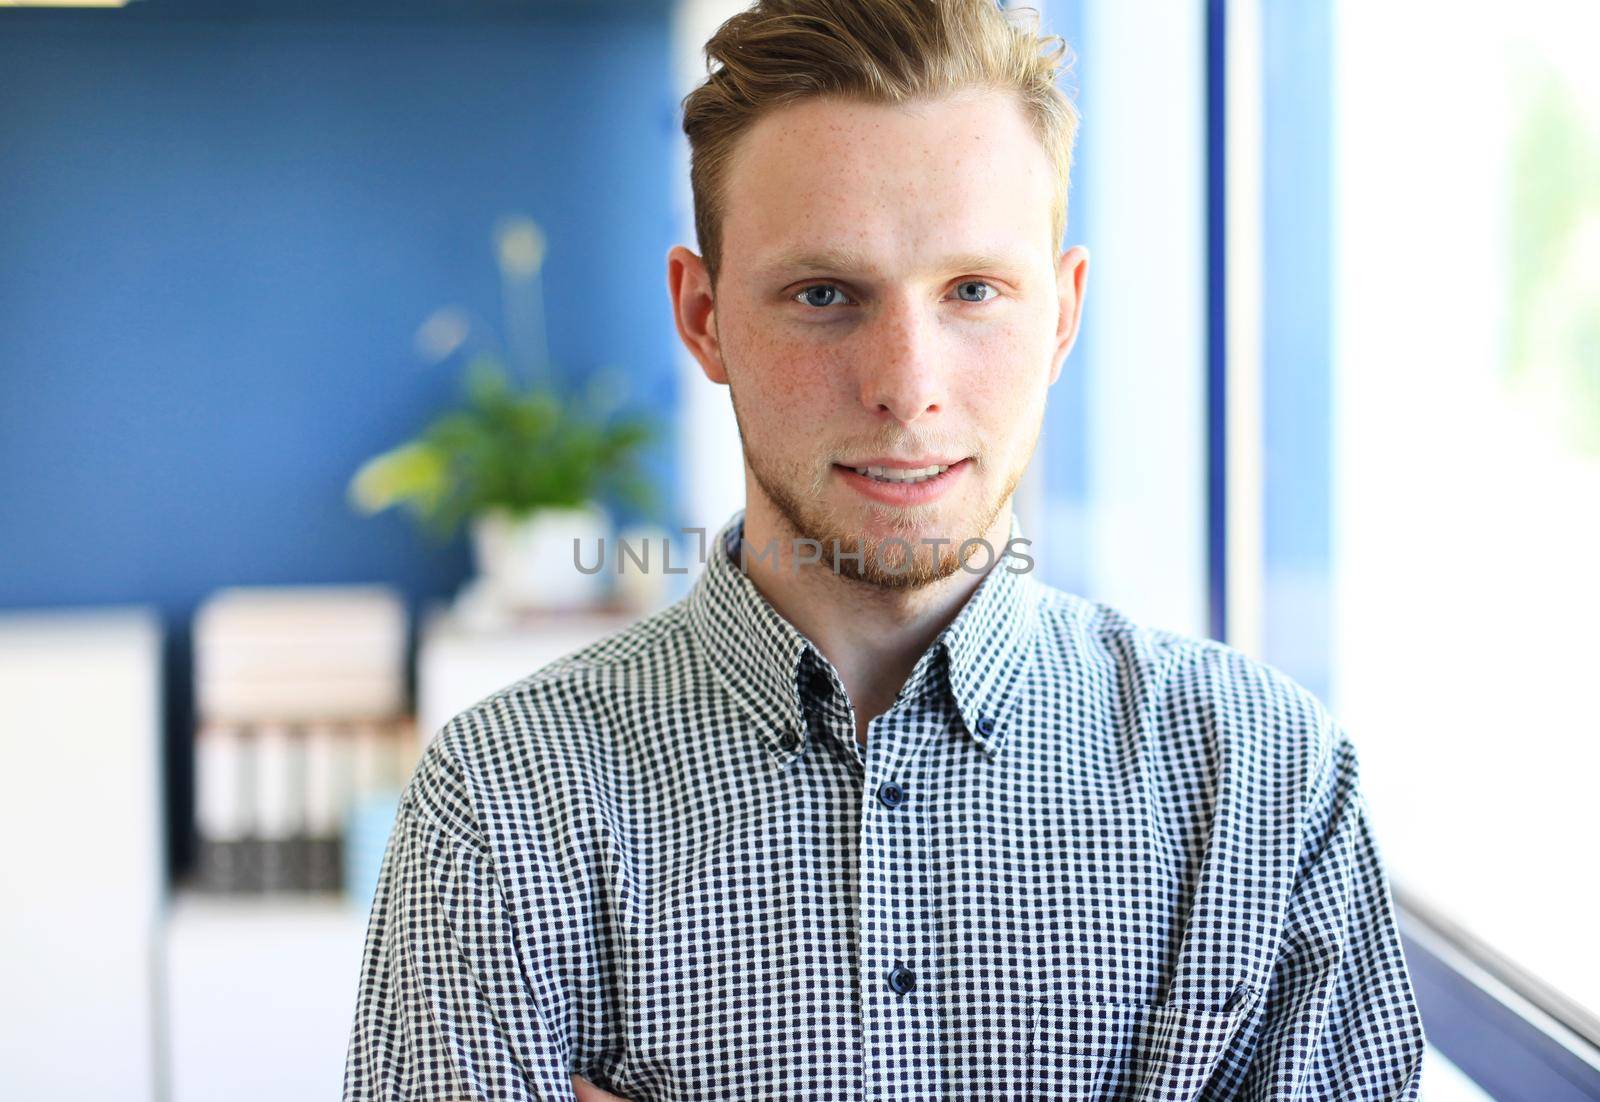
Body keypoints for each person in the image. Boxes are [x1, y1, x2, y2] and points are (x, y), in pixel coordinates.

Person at [342, 1, 1428, 1098]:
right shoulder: (502, 806)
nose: (906, 387)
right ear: (704, 315)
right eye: (824, 294)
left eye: (972, 291)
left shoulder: (1265, 782)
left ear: (1059, 315)